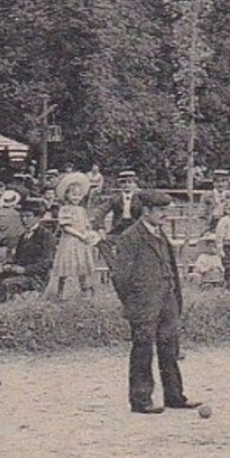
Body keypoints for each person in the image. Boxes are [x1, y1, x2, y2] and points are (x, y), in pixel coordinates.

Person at [109, 190, 201, 415]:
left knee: (169, 349)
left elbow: (171, 270)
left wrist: (176, 300)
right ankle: (141, 400)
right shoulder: (130, 237)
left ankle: (175, 396)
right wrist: (134, 303)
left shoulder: (161, 235)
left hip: (166, 301)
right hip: (144, 304)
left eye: (166, 211)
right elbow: (120, 277)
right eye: (160, 211)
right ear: (146, 211)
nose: (165, 215)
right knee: (143, 350)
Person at [46, 171, 102, 299]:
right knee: (66, 266)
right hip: (70, 240)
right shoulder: (65, 209)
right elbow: (66, 227)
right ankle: (61, 292)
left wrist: (89, 233)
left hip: (81, 242)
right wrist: (80, 235)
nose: (76, 197)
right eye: (73, 195)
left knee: (82, 266)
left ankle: (85, 289)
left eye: (79, 195)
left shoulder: (82, 210)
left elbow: (86, 224)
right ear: (67, 195)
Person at [100, 170, 145, 236]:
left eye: (130, 182)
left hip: (135, 229)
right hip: (118, 228)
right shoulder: (115, 198)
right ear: (119, 184)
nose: (127, 185)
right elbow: (101, 210)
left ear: (135, 184)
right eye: (123, 182)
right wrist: (100, 227)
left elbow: (144, 215)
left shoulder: (140, 199)